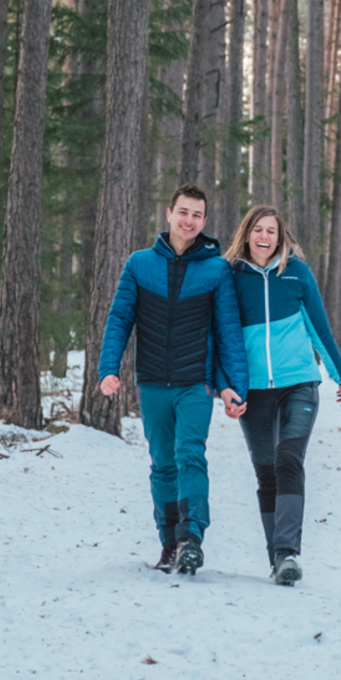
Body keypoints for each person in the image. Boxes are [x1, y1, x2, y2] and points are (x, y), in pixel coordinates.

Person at [98, 184, 248, 575]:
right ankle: (168, 543)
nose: (189, 221)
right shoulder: (138, 264)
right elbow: (119, 319)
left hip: (194, 384)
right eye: (183, 212)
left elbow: (229, 331)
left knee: (190, 455)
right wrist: (108, 368)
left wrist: (236, 386)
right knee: (163, 463)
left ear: (204, 221)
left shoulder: (216, 270)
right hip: (151, 383)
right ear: (168, 214)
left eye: (197, 215)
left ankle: (190, 539)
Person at [222, 205, 341, 586]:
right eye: (258, 230)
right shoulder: (230, 276)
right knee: (266, 473)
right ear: (246, 234)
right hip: (254, 390)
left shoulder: (296, 272)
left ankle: (288, 552)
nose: (265, 237)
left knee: (288, 459)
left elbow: (319, 328)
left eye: (272, 231)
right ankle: (277, 559)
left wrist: (339, 375)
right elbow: (221, 334)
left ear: (281, 237)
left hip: (299, 383)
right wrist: (224, 384)